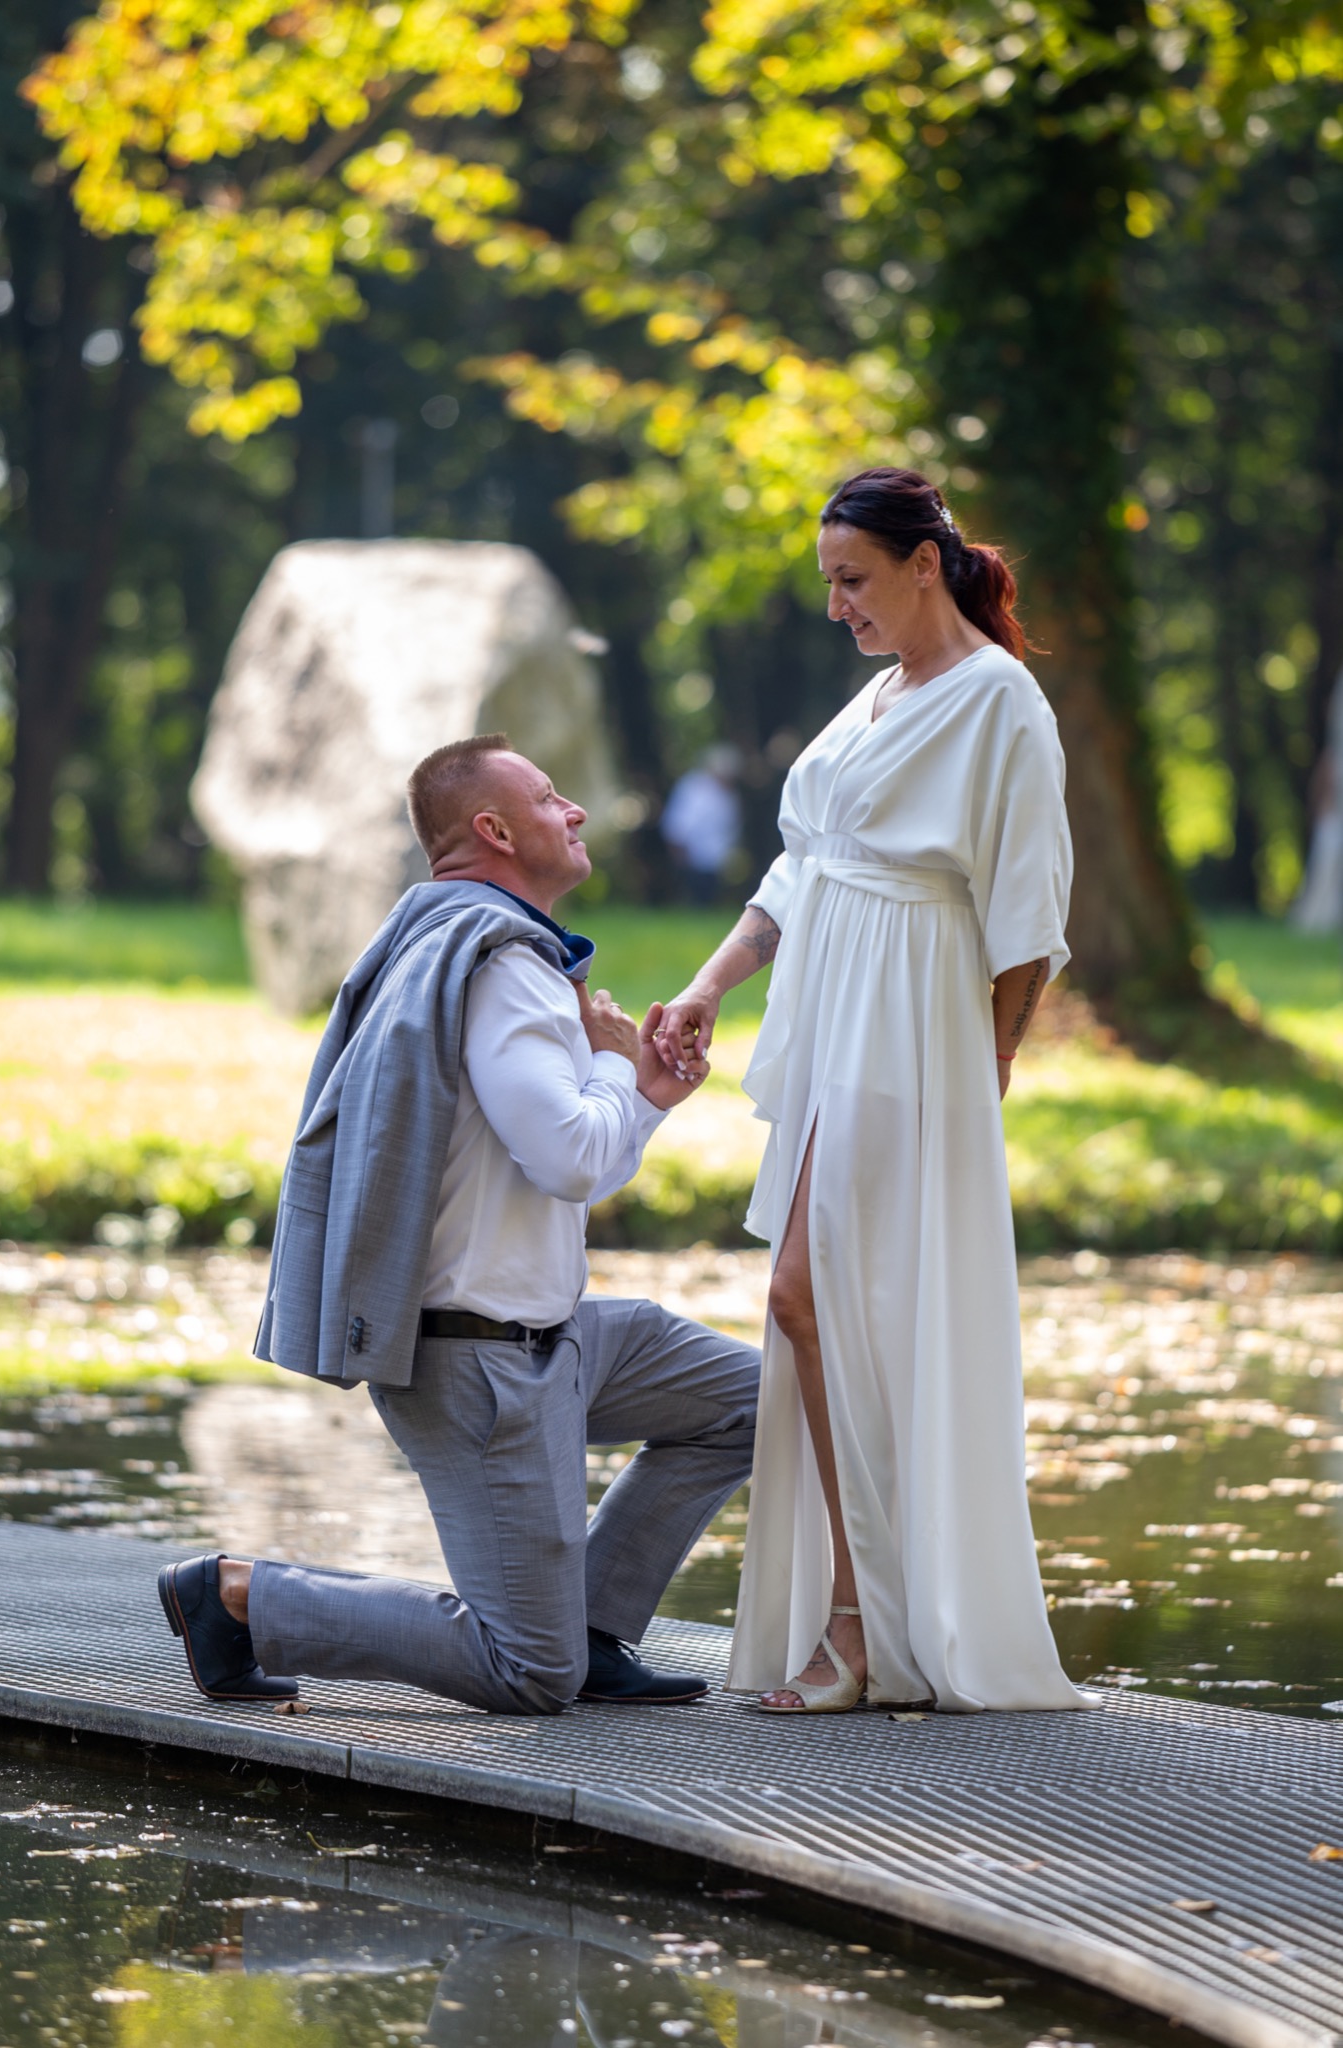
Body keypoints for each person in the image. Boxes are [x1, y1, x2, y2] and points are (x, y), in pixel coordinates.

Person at [158, 735, 760, 1716]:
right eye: (550, 795)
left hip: (557, 1338)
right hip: (481, 1365)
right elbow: (570, 1155)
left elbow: (564, 1152)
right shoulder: (504, 962)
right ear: (494, 829)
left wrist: (641, 1091)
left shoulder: (449, 939)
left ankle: (594, 1626)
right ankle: (237, 1595)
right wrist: (619, 1069)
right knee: (528, 1672)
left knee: (755, 1401)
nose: (574, 810)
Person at [656, 468, 1090, 1716]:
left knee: (821, 1297)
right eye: (828, 583)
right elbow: (807, 870)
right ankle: (865, 1619)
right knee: (812, 1303)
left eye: (853, 579)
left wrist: (989, 1067)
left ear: (921, 564)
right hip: (833, 1021)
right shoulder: (877, 696)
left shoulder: (1000, 701)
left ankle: (868, 1623)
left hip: (913, 1033)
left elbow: (1026, 920)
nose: (838, 605)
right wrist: (709, 982)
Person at [660, 745, 743, 905]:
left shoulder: (728, 793)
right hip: (694, 856)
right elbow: (680, 823)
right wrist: (679, 850)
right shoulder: (695, 789)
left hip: (717, 859)